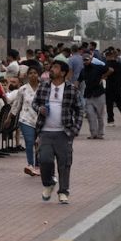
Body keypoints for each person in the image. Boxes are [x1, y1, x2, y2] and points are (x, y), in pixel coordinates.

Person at [34, 57, 82, 202]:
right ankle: (49, 183)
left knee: (64, 162)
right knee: (45, 160)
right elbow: (35, 103)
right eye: (51, 67)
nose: (51, 70)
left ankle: (63, 192)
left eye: (55, 68)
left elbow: (80, 109)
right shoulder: (43, 86)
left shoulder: (71, 89)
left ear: (62, 73)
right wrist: (40, 109)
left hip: (64, 132)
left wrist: (75, 129)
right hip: (45, 131)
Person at [8, 68, 42, 176]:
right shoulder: (22, 89)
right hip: (26, 119)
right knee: (29, 141)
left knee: (39, 143)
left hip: (41, 120)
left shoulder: (44, 88)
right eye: (30, 73)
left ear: (38, 75)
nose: (32, 75)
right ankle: (30, 165)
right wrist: (10, 117)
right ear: (27, 76)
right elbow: (16, 104)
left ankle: (38, 165)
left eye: (35, 73)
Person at [79, 47, 107, 140]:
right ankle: (93, 133)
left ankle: (100, 133)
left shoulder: (98, 67)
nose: (85, 61)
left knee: (100, 115)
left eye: (86, 60)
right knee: (90, 115)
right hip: (89, 94)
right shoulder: (83, 71)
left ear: (90, 59)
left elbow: (110, 70)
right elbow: (79, 80)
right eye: (84, 60)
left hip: (99, 93)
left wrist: (103, 78)